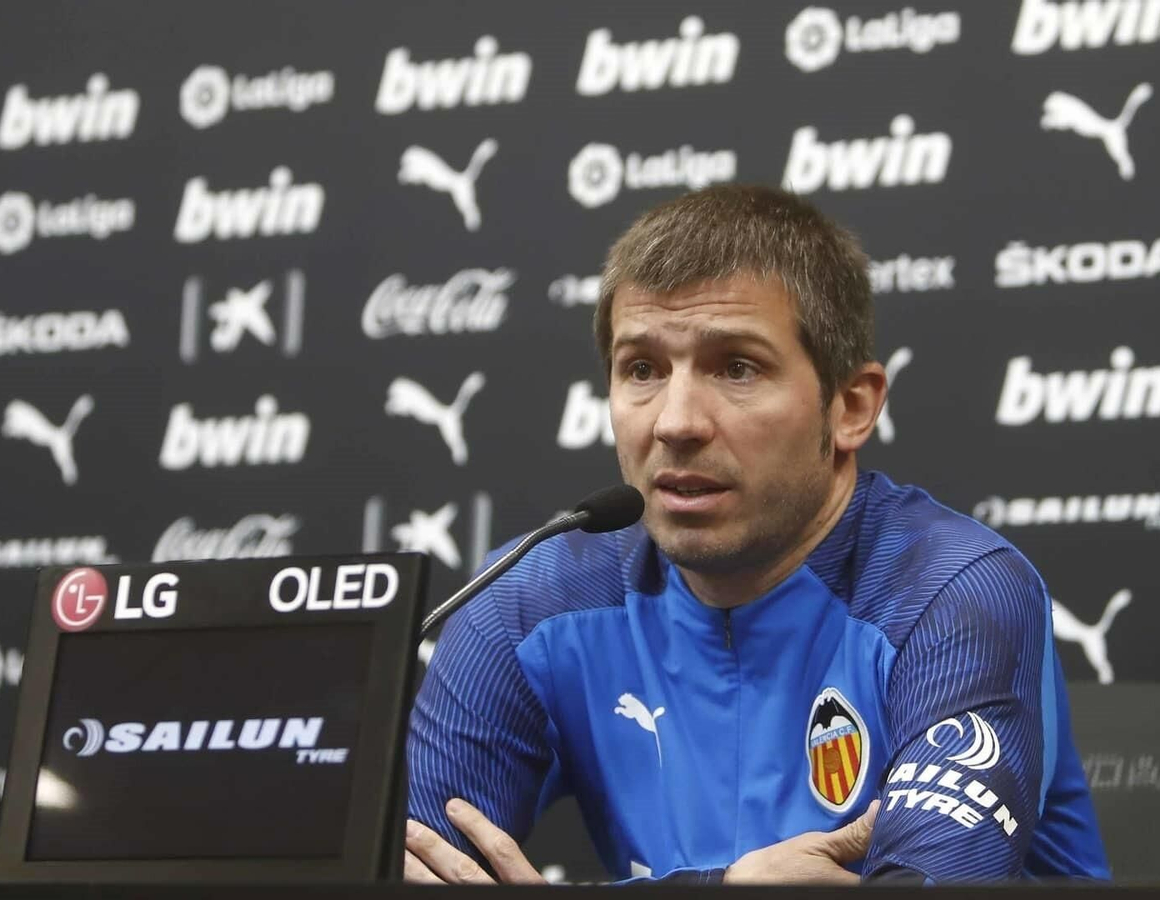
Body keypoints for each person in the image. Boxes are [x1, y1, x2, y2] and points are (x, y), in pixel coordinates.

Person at [403, 185, 1109, 884]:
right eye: (642, 369)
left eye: (737, 367)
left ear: (852, 409)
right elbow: (402, 869)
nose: (675, 422)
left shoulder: (953, 589)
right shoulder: (525, 599)